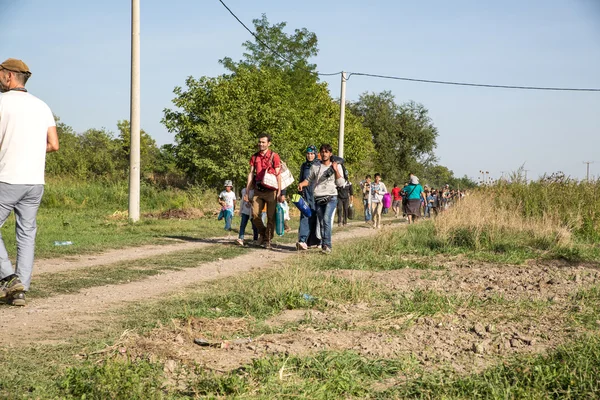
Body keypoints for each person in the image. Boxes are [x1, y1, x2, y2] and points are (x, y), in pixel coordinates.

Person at [0, 58, 59, 306]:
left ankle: (8, 279)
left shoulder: (2, 103)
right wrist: (29, 150)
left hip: (6, 178)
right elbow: (54, 144)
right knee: (26, 234)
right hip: (35, 181)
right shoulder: (42, 106)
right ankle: (20, 290)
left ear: (9, 76)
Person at [298, 144, 344, 254]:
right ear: (320, 153)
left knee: (326, 219)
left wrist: (336, 170)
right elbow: (309, 180)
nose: (324, 154)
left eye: (326, 152)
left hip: (331, 196)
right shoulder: (315, 167)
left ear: (330, 154)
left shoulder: (336, 166)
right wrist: (302, 184)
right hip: (318, 197)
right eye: (322, 152)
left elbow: (341, 183)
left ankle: (327, 245)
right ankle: (323, 243)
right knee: (322, 222)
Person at [245, 134, 281, 249]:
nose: (261, 144)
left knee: (271, 217)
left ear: (268, 143)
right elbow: (251, 174)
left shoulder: (274, 156)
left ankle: (267, 240)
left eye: (263, 142)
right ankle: (264, 233)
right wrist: (247, 191)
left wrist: (280, 192)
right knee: (254, 214)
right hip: (258, 190)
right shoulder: (254, 157)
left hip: (271, 191)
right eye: (259, 142)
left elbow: (278, 174)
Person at [296, 145, 321, 250]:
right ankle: (302, 241)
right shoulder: (304, 166)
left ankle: (317, 241)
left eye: (312, 153)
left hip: (317, 196)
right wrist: (300, 188)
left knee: (317, 218)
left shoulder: (319, 165)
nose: (310, 156)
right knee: (305, 217)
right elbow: (301, 179)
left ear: (315, 154)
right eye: (308, 153)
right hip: (306, 196)